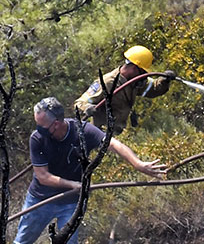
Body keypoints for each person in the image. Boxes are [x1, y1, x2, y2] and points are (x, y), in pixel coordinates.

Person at [13, 97, 166, 244]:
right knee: (23, 241)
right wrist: (73, 185)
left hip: (71, 203)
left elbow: (113, 144)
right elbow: (43, 176)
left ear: (57, 123)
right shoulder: (37, 138)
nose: (39, 130)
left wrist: (138, 164)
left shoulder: (82, 130)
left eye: (43, 128)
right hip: (41, 199)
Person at [74, 45, 176, 134]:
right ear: (134, 68)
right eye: (143, 72)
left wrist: (164, 81)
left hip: (119, 133)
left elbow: (153, 88)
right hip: (101, 135)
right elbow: (79, 103)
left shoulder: (134, 81)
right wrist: (88, 108)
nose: (145, 76)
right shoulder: (107, 82)